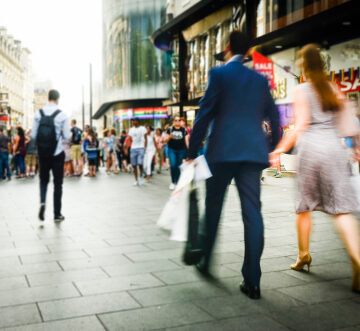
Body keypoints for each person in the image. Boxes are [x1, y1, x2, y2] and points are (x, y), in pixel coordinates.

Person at [188, 30, 280, 299]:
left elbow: (204, 115)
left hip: (221, 153)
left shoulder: (218, 75)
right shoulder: (260, 80)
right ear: (249, 52)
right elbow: (274, 119)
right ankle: (252, 281)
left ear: (227, 48)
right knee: (253, 214)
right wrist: (270, 148)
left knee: (213, 207)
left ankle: (205, 261)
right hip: (252, 155)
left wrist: (192, 150)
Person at [270, 44, 360, 293]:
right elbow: (350, 126)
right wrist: (356, 149)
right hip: (334, 150)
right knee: (341, 211)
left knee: (304, 208)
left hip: (310, 152)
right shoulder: (333, 89)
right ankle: (358, 260)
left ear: (304, 65)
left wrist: (279, 149)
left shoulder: (302, 90)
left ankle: (303, 255)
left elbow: (300, 125)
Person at [30, 89, 70, 222]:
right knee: (58, 183)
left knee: (43, 181)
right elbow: (67, 136)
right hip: (57, 153)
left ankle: (42, 202)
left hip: (43, 153)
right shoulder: (62, 115)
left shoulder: (38, 113)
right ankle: (57, 214)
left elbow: (33, 135)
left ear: (48, 98)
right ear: (58, 99)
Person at [164, 116, 189, 190]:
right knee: (173, 165)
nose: (177, 121)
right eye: (176, 120)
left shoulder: (184, 130)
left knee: (178, 166)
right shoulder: (170, 129)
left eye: (179, 120)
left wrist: (189, 151)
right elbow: (165, 140)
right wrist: (169, 137)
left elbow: (187, 141)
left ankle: (177, 182)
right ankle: (172, 182)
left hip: (181, 150)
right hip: (172, 150)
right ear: (173, 121)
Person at [126, 118, 147, 186]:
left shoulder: (143, 128)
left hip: (141, 148)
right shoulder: (131, 129)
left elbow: (145, 138)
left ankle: (141, 174)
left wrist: (144, 147)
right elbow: (129, 139)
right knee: (134, 165)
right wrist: (126, 147)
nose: (133, 122)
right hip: (133, 149)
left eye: (134, 121)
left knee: (140, 163)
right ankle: (136, 180)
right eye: (132, 121)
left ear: (137, 121)